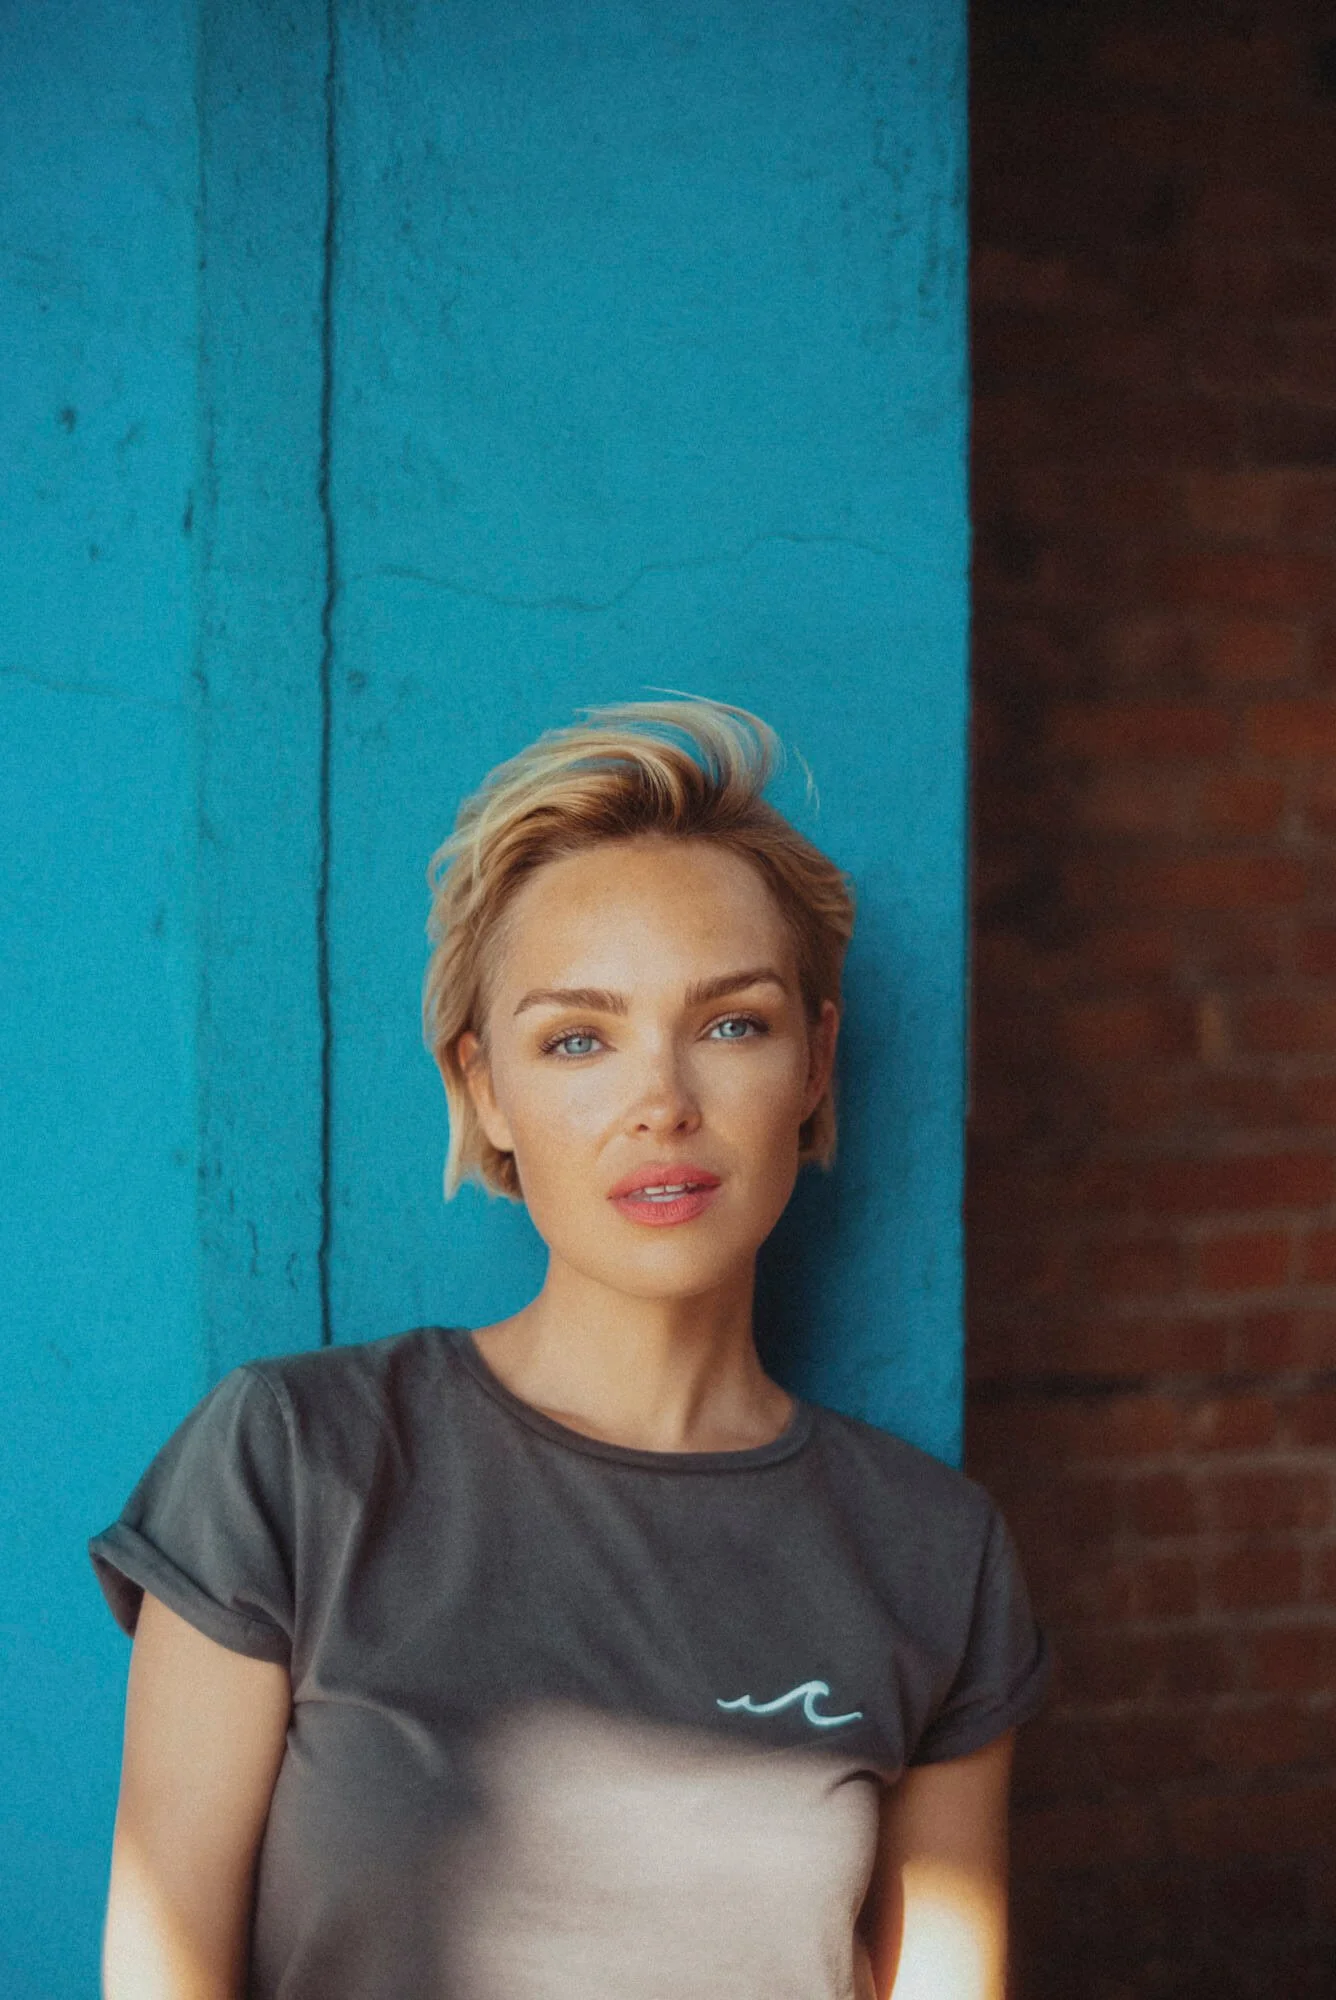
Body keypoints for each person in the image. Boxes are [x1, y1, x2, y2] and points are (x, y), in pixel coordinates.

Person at [92, 696, 1049, 2000]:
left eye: (731, 1025)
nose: (661, 1102)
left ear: (816, 1061)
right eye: (579, 1039)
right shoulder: (295, 1463)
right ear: (486, 1086)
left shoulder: (935, 1550)